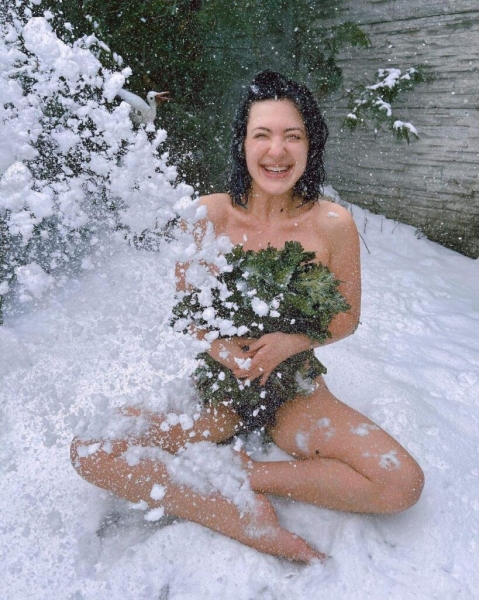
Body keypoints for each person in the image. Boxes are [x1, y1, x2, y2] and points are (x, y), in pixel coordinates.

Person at [71, 71, 424, 564]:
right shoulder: (207, 215)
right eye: (262, 134)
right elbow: (188, 314)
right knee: (91, 449)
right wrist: (219, 348)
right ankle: (229, 513)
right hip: (219, 393)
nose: (277, 151)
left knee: (401, 484)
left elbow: (346, 319)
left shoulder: (333, 224)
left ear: (310, 145)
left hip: (295, 393)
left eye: (292, 135)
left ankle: (242, 476)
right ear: (242, 144)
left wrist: (291, 342)